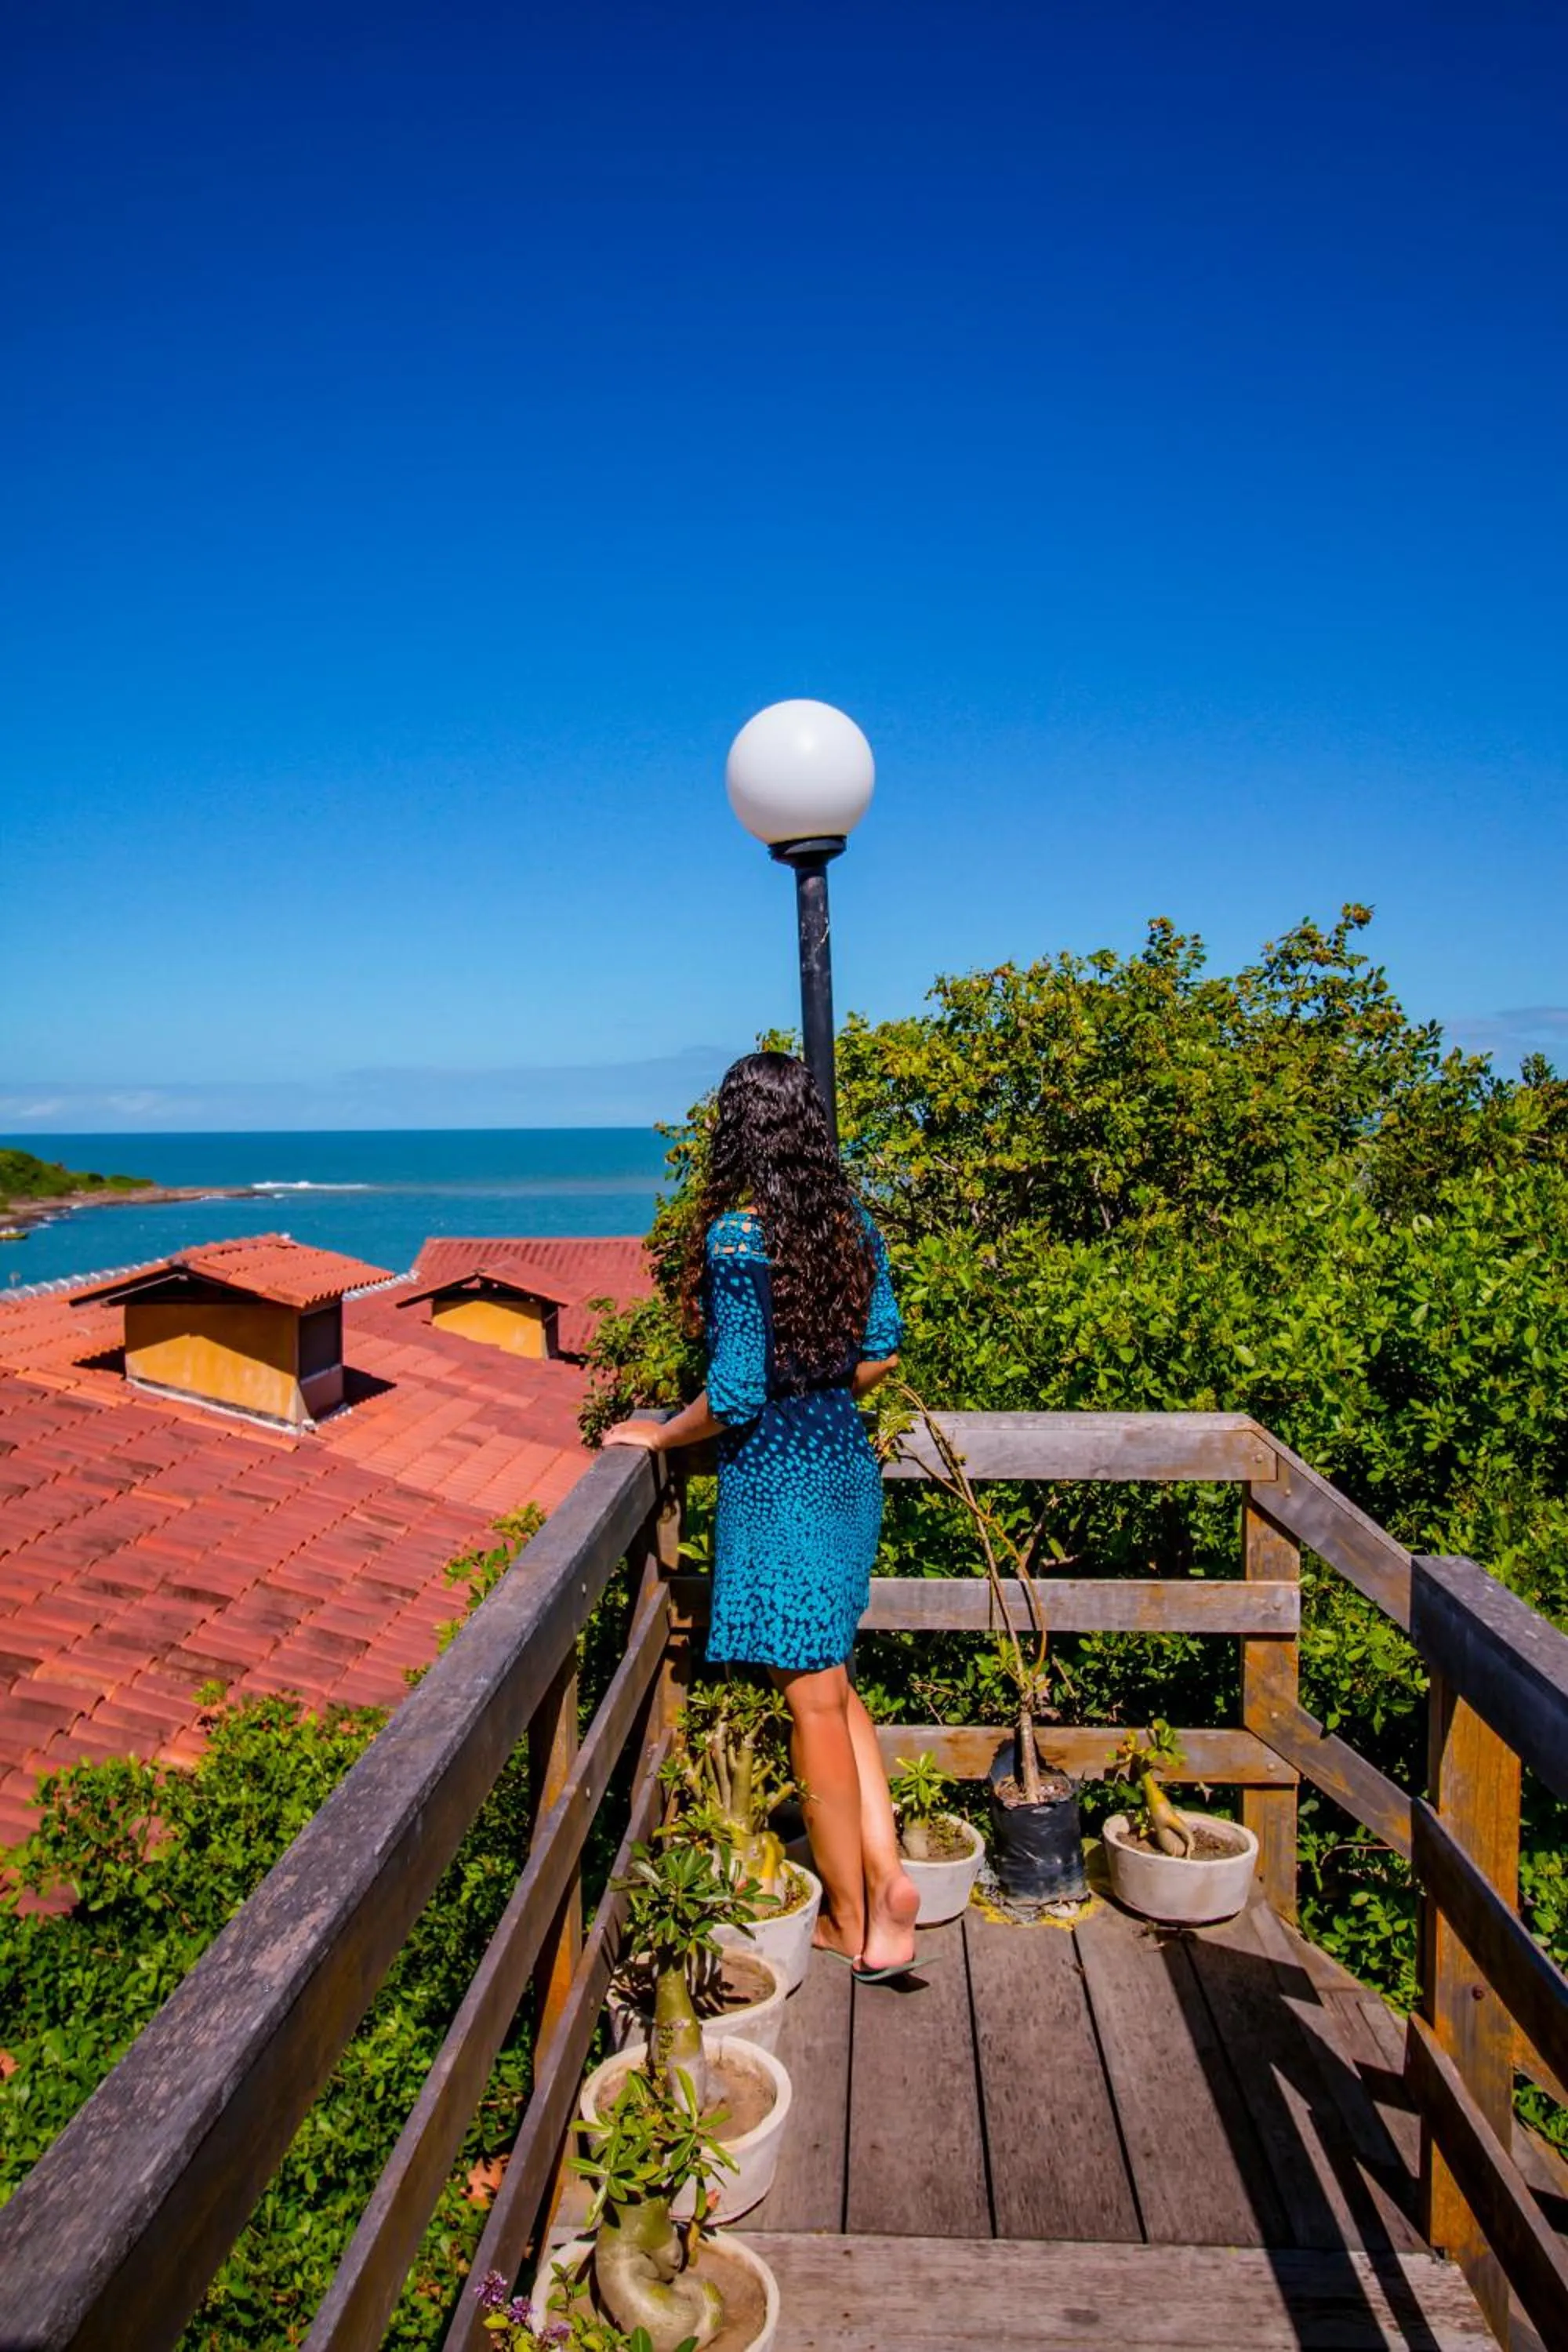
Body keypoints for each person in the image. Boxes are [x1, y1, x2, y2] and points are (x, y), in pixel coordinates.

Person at [604, 1051, 920, 1976]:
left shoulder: (741, 1237)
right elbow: (879, 1354)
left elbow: (734, 1391)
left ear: (738, 1128)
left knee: (809, 1705)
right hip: (843, 1467)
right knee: (833, 1683)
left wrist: (660, 1439)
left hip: (779, 1478)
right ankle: (888, 1875)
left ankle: (854, 1922)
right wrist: (815, 1380)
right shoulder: (848, 1220)